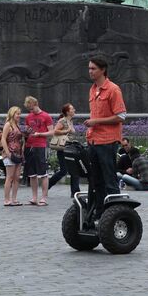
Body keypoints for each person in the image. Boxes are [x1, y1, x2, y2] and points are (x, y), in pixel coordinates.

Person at [85, 56, 127, 217]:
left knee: (110, 180)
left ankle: (115, 214)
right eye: (89, 68)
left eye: (93, 69)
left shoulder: (113, 89)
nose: (90, 71)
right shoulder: (92, 89)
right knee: (96, 180)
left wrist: (96, 121)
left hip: (108, 141)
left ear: (103, 70)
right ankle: (100, 213)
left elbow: (121, 115)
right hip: (93, 141)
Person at [23, 96, 53, 206]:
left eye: (31, 108)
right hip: (29, 145)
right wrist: (26, 132)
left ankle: (44, 197)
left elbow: (51, 132)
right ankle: (34, 197)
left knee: (43, 173)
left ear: (36, 104)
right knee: (32, 174)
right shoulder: (28, 117)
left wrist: (40, 134)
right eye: (29, 109)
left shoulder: (46, 116)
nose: (31, 111)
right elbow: (27, 130)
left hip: (40, 145)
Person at [48, 104, 81, 196]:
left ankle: (75, 192)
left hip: (70, 149)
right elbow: (55, 131)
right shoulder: (62, 120)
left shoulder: (70, 121)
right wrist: (66, 131)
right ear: (67, 112)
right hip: (63, 149)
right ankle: (47, 186)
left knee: (74, 170)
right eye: (72, 109)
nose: (74, 110)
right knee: (63, 171)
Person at [1, 107, 24, 206]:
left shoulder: (17, 125)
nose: (19, 116)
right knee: (9, 177)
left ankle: (14, 199)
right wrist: (8, 152)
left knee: (17, 177)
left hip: (18, 153)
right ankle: (6, 199)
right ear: (12, 114)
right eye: (17, 114)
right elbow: (3, 139)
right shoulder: (8, 124)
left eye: (19, 114)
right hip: (10, 153)